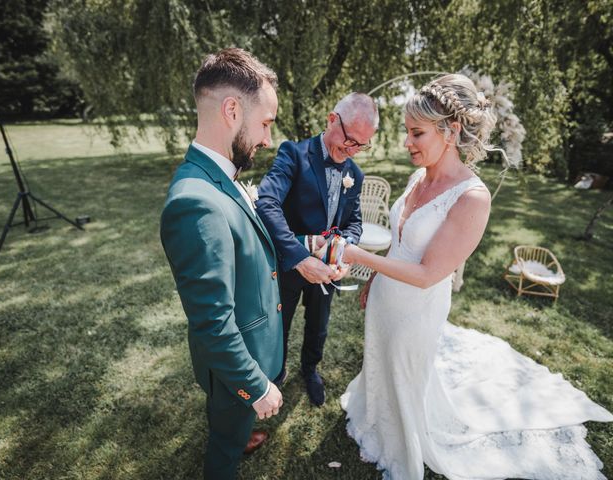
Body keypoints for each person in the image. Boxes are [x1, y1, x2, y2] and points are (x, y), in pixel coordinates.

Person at [340, 74, 613, 479]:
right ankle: (376, 415)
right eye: (407, 132)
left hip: (417, 308)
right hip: (386, 300)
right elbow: (401, 244)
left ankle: (404, 436)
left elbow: (430, 272)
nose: (407, 143)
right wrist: (376, 283)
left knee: (406, 371)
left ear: (450, 131)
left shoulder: (471, 198)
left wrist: (360, 257)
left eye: (416, 133)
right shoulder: (419, 176)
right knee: (381, 360)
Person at [160, 48, 284, 480]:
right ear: (232, 110)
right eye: (266, 123)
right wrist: (255, 386)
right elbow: (212, 323)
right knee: (224, 448)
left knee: (234, 430)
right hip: (237, 369)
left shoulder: (217, 175)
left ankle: (240, 432)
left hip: (253, 352)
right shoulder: (196, 202)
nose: (269, 139)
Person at [256, 93, 378, 406]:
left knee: (319, 325)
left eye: (360, 145)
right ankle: (275, 374)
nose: (351, 151)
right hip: (289, 264)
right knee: (278, 325)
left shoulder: (355, 175)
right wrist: (299, 256)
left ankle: (310, 369)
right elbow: (266, 203)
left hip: (328, 270)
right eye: (349, 140)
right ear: (331, 119)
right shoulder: (293, 154)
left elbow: (353, 224)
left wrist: (343, 253)